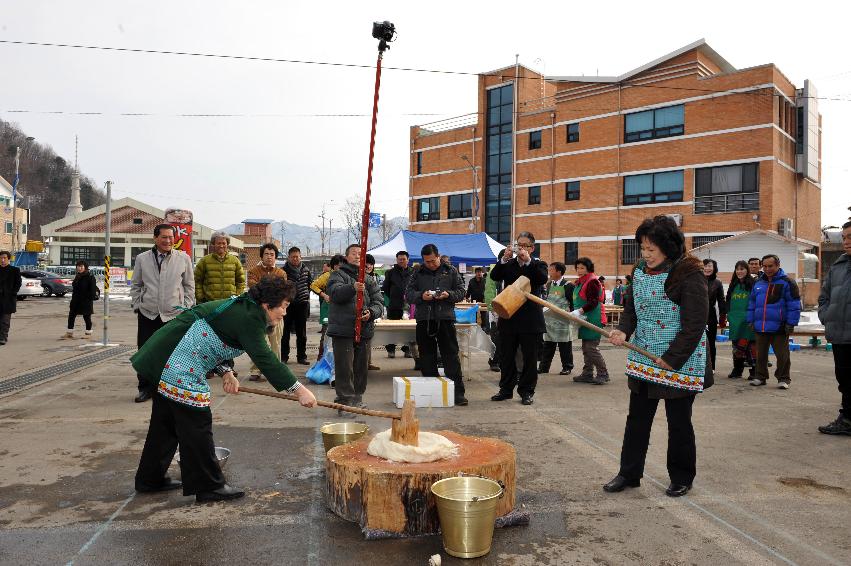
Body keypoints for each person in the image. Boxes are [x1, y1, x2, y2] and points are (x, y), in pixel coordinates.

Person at [132, 277, 317, 503]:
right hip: (174, 362)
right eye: (284, 307)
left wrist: (226, 372)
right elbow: (266, 359)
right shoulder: (250, 317)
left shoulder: (246, 308)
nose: (285, 313)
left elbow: (216, 336)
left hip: (167, 357)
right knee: (196, 424)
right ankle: (208, 486)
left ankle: (149, 479)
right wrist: (299, 390)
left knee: (166, 424)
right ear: (267, 305)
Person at [605, 215, 711, 498]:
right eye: (643, 248)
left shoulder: (689, 272)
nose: (645, 255)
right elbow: (631, 309)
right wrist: (624, 332)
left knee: (679, 422)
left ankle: (681, 477)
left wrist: (672, 357)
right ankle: (629, 473)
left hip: (680, 360)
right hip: (644, 355)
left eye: (651, 249)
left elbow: (695, 324)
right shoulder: (639, 270)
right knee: (637, 418)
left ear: (668, 246)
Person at [130, 224, 195, 403]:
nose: (168, 241)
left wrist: (186, 308)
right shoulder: (143, 259)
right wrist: (137, 304)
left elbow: (189, 286)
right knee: (145, 352)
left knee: (172, 353)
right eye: (164, 237)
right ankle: (145, 388)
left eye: (171, 237)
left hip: (173, 315)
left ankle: (169, 389)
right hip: (148, 314)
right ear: (155, 238)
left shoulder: (183, 258)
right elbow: (136, 284)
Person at [489, 232, 548, 405]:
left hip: (530, 319)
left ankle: (526, 391)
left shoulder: (538, 264)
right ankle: (506, 389)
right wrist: (503, 260)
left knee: (529, 359)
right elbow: (495, 276)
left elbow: (541, 278)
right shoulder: (509, 264)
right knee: (506, 356)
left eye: (525, 245)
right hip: (508, 316)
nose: (520, 248)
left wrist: (528, 261)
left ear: (532, 248)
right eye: (518, 245)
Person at [406, 243, 468, 406]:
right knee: (427, 357)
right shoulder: (417, 272)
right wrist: (421, 296)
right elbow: (408, 294)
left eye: (433, 261)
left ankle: (457, 393)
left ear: (438, 256)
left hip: (445, 318)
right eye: (427, 262)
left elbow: (462, 292)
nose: (431, 264)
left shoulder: (450, 270)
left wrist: (449, 295)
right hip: (424, 320)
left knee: (450, 356)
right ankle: (431, 393)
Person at [327, 244, 384, 414]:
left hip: (364, 330)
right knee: (344, 367)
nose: (358, 256)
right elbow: (335, 294)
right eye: (354, 253)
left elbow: (379, 302)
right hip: (343, 330)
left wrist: (371, 312)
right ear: (346, 257)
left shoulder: (369, 279)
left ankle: (357, 399)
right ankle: (344, 401)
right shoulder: (337, 275)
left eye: (361, 253)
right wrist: (352, 288)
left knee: (361, 368)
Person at [747, 254, 801, 389]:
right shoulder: (758, 283)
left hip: (780, 326)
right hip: (760, 326)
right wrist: (751, 320)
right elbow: (752, 303)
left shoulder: (787, 282)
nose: (767, 269)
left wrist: (791, 323)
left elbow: (794, 304)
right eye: (764, 266)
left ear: (778, 265)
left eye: (770, 266)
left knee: (782, 356)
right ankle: (760, 377)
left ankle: (783, 378)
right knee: (760, 355)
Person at [195, 231, 245, 372]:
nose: (221, 245)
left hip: (229, 306)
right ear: (213, 244)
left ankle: (228, 367)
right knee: (209, 337)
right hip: (210, 305)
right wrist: (201, 299)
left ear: (227, 245)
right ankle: (209, 368)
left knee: (228, 337)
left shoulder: (234, 261)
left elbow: (240, 281)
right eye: (218, 243)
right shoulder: (204, 261)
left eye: (224, 243)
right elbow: (197, 281)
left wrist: (237, 297)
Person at [818, 220, 851, 435]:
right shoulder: (838, 265)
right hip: (840, 334)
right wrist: (826, 315)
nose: (847, 242)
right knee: (845, 380)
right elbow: (824, 296)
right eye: (845, 237)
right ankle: (847, 419)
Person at [246, 243, 287, 382]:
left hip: (276, 313)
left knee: (275, 342)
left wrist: (266, 288)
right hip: (258, 312)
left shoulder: (281, 273)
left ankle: (275, 370)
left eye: (272, 254)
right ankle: (255, 370)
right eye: (266, 254)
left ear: (275, 257)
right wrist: (271, 289)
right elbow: (254, 288)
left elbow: (282, 292)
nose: (269, 257)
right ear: (261, 256)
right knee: (257, 341)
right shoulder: (253, 271)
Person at [572, 257, 609, 385]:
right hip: (584, 319)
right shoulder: (580, 282)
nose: (579, 270)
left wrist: (580, 311)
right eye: (577, 268)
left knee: (591, 347)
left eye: (582, 268)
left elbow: (593, 302)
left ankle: (603, 373)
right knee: (585, 347)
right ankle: (587, 373)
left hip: (593, 318)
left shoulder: (592, 281)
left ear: (588, 268)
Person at [381, 251, 419, 364]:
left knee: (409, 329)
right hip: (394, 304)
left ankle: (407, 349)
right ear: (396, 260)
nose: (401, 261)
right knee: (392, 329)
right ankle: (391, 349)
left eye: (403, 259)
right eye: (399, 259)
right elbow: (386, 288)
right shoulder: (391, 272)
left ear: (408, 259)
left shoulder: (413, 272)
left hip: (410, 305)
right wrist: (395, 295)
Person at [538, 262, 575, 376]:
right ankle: (544, 367)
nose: (549, 273)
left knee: (565, 346)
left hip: (563, 321)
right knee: (548, 345)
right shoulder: (549, 285)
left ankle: (567, 367)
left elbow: (573, 304)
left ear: (559, 272)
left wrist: (571, 316)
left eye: (551, 270)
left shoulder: (568, 285)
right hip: (550, 321)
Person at [725, 260, 756, 379]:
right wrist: (728, 314)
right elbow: (728, 301)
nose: (739, 271)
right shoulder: (733, 285)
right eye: (737, 269)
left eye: (742, 269)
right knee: (737, 346)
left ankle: (754, 371)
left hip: (749, 320)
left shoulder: (753, 284)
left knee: (751, 346)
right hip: (735, 321)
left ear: (747, 270)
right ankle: (737, 369)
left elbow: (756, 301)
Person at [282, 246, 312, 365]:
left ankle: (301, 357)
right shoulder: (283, 271)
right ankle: (284, 356)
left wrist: (305, 296)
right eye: (293, 257)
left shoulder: (306, 270)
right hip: (288, 305)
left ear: (301, 257)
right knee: (285, 332)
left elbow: (310, 284)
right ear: (289, 257)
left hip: (302, 304)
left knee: (302, 333)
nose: (295, 259)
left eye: (297, 256)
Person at [310, 254, 343, 359]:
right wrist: (324, 295)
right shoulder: (327, 275)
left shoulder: (346, 276)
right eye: (338, 265)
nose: (340, 267)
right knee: (326, 334)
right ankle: (320, 358)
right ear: (333, 266)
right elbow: (313, 285)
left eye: (342, 265)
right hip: (328, 309)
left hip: (341, 310)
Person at [62, 260, 98, 339]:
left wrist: (88, 299)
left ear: (85, 267)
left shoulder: (90, 277)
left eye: (81, 266)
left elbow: (92, 291)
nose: (80, 268)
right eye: (78, 266)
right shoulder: (77, 276)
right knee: (71, 316)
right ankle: (69, 333)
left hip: (86, 301)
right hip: (75, 300)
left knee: (86, 317)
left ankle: (88, 333)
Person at [702, 259, 727, 370]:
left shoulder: (717, 282)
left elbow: (721, 300)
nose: (707, 268)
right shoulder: (696, 280)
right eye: (705, 266)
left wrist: (723, 316)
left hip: (710, 315)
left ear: (714, 268)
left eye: (709, 266)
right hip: (696, 313)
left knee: (710, 342)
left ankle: (711, 367)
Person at [0, 251, 22, 346]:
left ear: (9, 259)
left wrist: (13, 293)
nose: (2, 260)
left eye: (4, 258)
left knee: (5, 321)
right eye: (1, 258)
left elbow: (18, 283)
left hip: (8, 300)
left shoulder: (14, 270)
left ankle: (3, 338)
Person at [364, 253, 381, 371]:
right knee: (365, 340)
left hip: (373, 311)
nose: (368, 266)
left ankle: (368, 362)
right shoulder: (360, 278)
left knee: (368, 340)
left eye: (371, 264)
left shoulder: (374, 276)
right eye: (366, 263)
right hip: (364, 312)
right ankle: (364, 363)